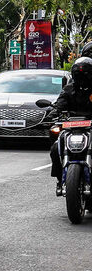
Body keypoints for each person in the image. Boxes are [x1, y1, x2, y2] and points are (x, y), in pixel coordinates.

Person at [50, 56, 92, 193]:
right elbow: (60, 103)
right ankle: (59, 179)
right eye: (78, 73)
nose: (82, 77)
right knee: (55, 148)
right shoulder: (68, 89)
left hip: (90, 127)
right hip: (72, 128)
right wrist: (55, 111)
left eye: (85, 73)